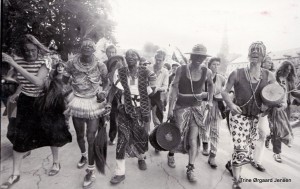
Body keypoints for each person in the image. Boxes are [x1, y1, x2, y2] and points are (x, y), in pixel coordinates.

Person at [1, 34, 72, 189]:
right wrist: (14, 86)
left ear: (38, 49)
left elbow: (39, 83)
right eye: (27, 51)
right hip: (26, 100)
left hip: (44, 100)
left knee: (52, 133)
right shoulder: (18, 60)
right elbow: (11, 77)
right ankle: (15, 173)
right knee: (20, 136)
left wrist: (15, 64)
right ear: (22, 50)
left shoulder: (45, 61)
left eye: (33, 50)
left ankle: (56, 163)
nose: (31, 54)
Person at [221, 41, 276, 189]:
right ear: (248, 55)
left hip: (254, 118)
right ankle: (236, 182)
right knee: (241, 149)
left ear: (263, 57)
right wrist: (231, 105)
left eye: (258, 52)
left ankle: (230, 164)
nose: (255, 53)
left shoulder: (269, 76)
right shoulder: (237, 73)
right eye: (252, 51)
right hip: (237, 117)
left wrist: (272, 104)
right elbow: (224, 91)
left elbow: (276, 94)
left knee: (246, 150)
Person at [62, 38, 110, 188]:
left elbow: (107, 83)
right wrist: (66, 91)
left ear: (94, 49)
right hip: (77, 100)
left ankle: (90, 170)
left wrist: (103, 92)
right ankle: (83, 155)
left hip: (93, 102)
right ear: (80, 48)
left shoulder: (101, 65)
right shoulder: (71, 63)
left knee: (91, 137)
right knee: (80, 135)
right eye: (85, 46)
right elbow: (64, 80)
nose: (87, 48)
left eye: (90, 46)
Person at [167, 44, 214, 182]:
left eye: (202, 56)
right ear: (191, 56)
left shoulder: (207, 72)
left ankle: (191, 168)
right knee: (177, 134)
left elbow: (211, 85)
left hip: (196, 108)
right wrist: (170, 107)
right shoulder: (181, 70)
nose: (199, 59)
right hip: (181, 107)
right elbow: (174, 88)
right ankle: (171, 154)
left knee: (193, 139)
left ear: (205, 58)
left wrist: (210, 101)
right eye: (196, 56)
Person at [110, 49, 156, 184]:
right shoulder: (120, 72)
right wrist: (108, 102)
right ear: (125, 58)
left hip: (141, 110)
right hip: (125, 110)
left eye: (133, 55)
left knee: (141, 136)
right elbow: (114, 88)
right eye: (128, 55)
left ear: (138, 57)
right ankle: (120, 172)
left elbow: (153, 86)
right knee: (122, 139)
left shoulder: (146, 71)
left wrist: (147, 89)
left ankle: (141, 158)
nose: (130, 57)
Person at [271, 61, 300, 163]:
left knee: (280, 129)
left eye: (290, 70)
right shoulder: (274, 78)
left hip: (286, 108)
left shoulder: (288, 81)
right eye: (286, 70)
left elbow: (294, 92)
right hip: (275, 108)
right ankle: (277, 153)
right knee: (277, 130)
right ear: (281, 69)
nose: (288, 72)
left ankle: (268, 137)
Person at [202, 57, 225, 168]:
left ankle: (213, 155)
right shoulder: (203, 77)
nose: (216, 66)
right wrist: (208, 96)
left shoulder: (221, 78)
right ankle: (205, 144)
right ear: (209, 65)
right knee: (203, 127)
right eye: (213, 64)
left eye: (217, 64)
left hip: (216, 106)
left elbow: (227, 91)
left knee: (215, 131)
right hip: (204, 105)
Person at [149, 50, 169, 129]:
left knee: (157, 120)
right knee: (145, 118)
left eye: (160, 60)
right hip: (147, 95)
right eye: (156, 59)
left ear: (163, 60)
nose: (157, 62)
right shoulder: (148, 68)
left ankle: (156, 139)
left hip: (157, 96)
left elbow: (165, 87)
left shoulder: (165, 72)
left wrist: (157, 88)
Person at [104, 45, 118, 145]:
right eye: (109, 52)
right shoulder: (103, 64)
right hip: (103, 92)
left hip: (115, 93)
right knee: (101, 115)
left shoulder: (118, 65)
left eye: (113, 52)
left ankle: (112, 137)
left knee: (113, 116)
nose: (111, 54)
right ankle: (101, 136)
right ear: (106, 53)